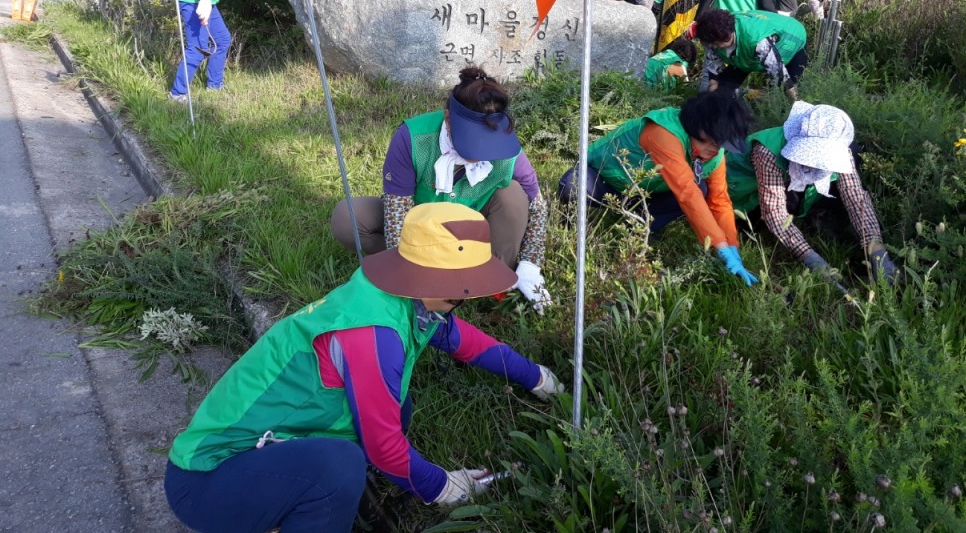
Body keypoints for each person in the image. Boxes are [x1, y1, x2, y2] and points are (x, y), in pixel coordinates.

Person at [164, 202, 564, 533]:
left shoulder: (400, 294)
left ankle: (303, 495)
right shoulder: (373, 334)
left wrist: (539, 378)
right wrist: (441, 487)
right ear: (432, 277)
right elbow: (384, 447)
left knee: (396, 407)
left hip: (258, 452)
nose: (469, 295)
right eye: (464, 285)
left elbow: (469, 344)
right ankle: (297, 506)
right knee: (340, 466)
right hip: (207, 481)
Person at [331, 66, 551, 312]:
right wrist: (408, 277)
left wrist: (531, 262)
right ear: (448, 120)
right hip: (421, 226)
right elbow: (396, 216)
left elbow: (537, 206)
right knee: (347, 217)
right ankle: (431, 268)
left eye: (488, 141)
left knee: (514, 195)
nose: (480, 152)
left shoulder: (507, 148)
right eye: (473, 140)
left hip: (473, 228)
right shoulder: (412, 138)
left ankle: (489, 279)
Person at [558, 91, 759, 287]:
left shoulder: (715, 154)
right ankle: (565, 224)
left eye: (721, 146)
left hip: (647, 191)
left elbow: (720, 200)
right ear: (698, 128)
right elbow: (686, 193)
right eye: (714, 143)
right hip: (605, 180)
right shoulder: (664, 132)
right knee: (572, 185)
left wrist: (732, 246)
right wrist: (720, 246)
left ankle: (640, 226)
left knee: (703, 189)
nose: (716, 151)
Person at [725, 101, 899, 282]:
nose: (812, 163)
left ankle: (818, 214)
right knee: (774, 212)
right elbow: (775, 213)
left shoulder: (841, 149)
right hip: (744, 194)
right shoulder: (767, 151)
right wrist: (811, 258)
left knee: (851, 164)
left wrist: (877, 250)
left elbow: (855, 197)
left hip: (784, 184)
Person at [695, 8, 808, 100]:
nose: (713, 47)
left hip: (793, 38)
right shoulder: (713, 35)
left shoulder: (757, 42)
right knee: (723, 89)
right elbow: (714, 78)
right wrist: (712, 101)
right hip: (745, 49)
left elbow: (780, 75)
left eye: (715, 44)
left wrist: (797, 103)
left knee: (785, 95)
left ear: (726, 37)